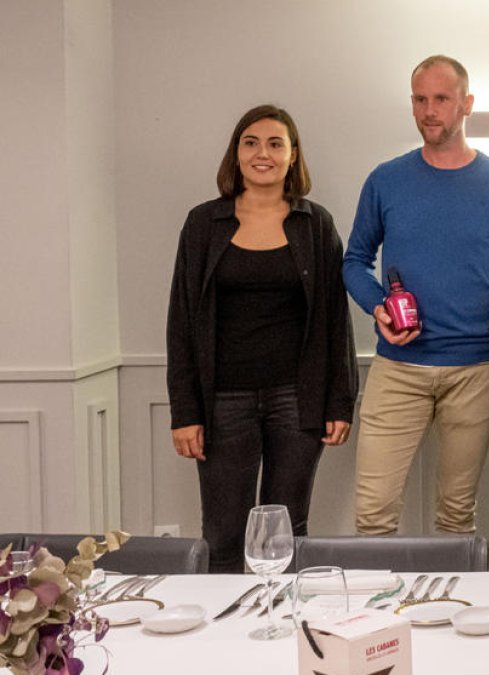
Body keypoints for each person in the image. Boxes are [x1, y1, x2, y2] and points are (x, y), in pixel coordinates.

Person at [343, 55, 489, 536]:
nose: (430, 110)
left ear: (466, 104)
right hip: (397, 368)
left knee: (456, 516)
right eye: (420, 99)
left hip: (476, 369)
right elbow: (354, 260)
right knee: (373, 516)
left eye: (441, 99)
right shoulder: (386, 179)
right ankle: (375, 613)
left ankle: (452, 606)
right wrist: (377, 305)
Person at [167, 104, 358, 573]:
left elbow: (336, 318)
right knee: (224, 532)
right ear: (236, 154)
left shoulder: (315, 224)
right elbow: (182, 320)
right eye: (251, 143)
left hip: (297, 399)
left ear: (293, 156)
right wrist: (185, 411)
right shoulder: (203, 224)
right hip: (221, 402)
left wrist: (340, 401)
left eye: (276, 143)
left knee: (287, 529)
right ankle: (227, 635)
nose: (263, 153)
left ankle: (284, 630)